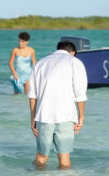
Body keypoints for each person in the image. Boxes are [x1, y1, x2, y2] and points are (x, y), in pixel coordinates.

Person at [27, 40, 88, 169]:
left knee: (41, 156)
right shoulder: (74, 62)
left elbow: (33, 95)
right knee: (64, 157)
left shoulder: (40, 63)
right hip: (66, 116)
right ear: (73, 52)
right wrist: (81, 117)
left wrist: (33, 119)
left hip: (43, 116)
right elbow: (80, 94)